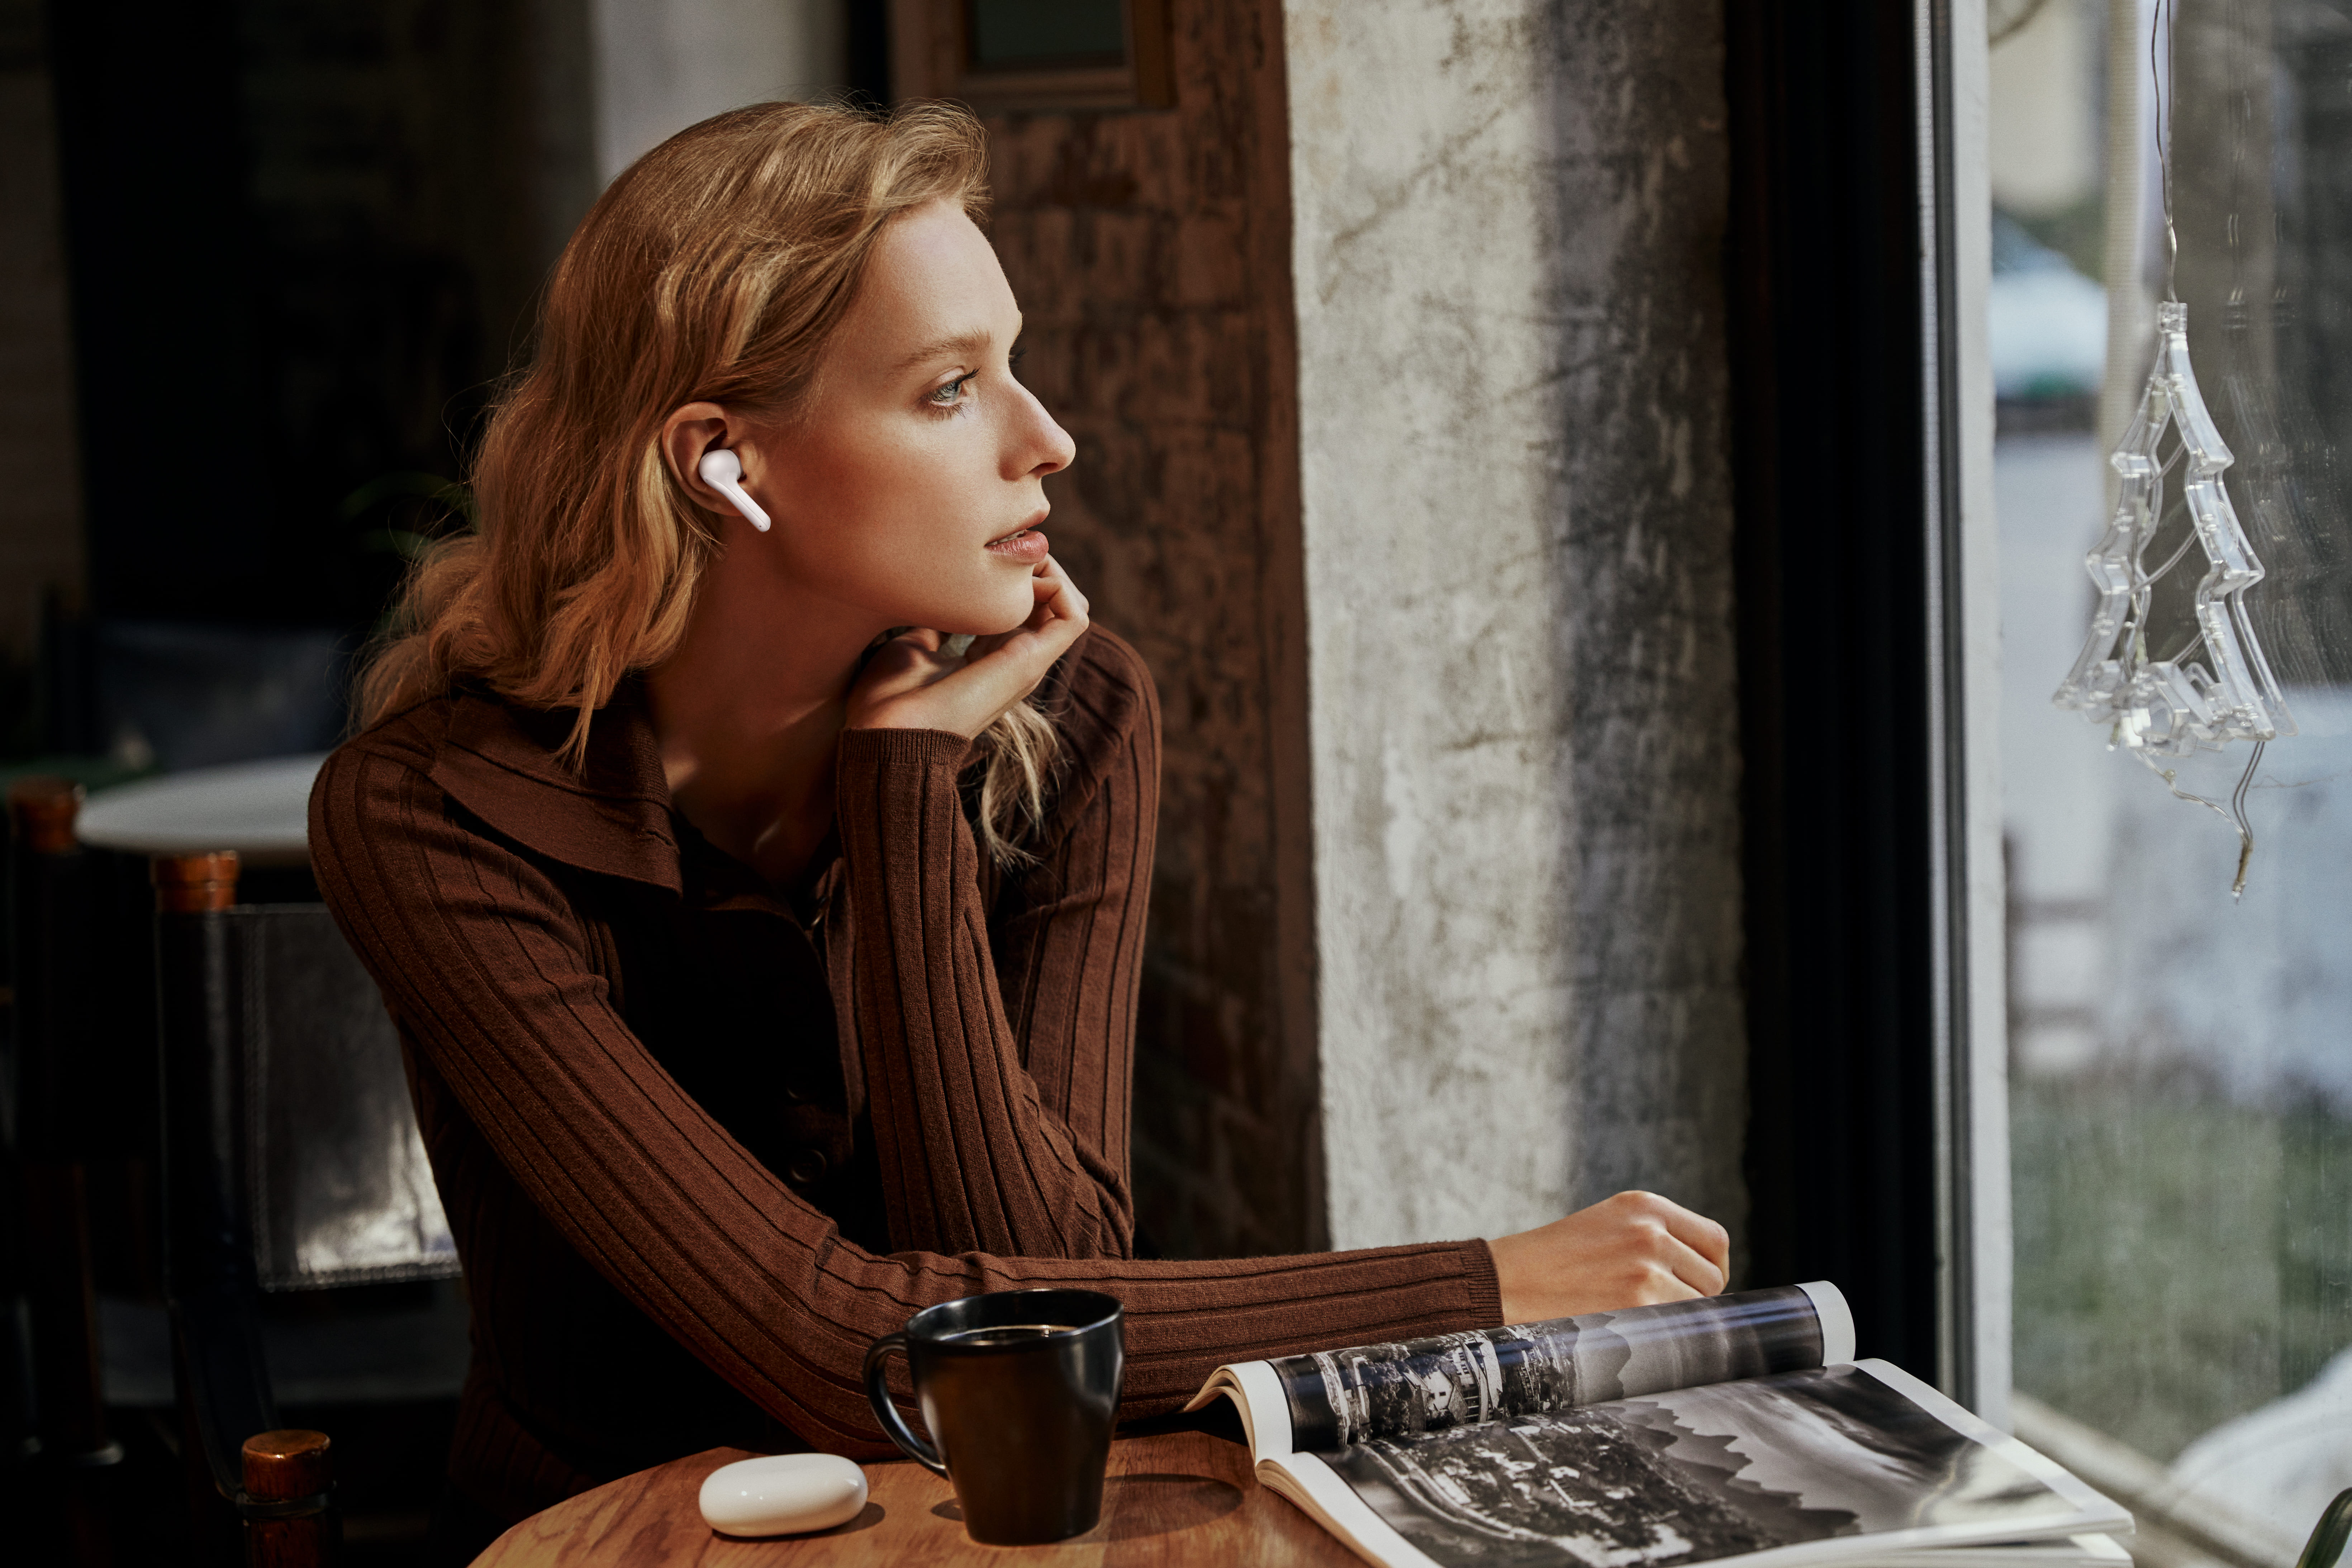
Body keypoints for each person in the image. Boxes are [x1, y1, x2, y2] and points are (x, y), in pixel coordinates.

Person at [312, 99, 1731, 1551]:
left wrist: (904, 791)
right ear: (721, 463)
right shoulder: (429, 813)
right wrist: (1487, 1287)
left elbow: (1046, 1289)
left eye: (1014, 364)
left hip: (1001, 1533)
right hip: (615, 1545)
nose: (1048, 438)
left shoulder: (1080, 714)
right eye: (949, 389)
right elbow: (840, 1345)